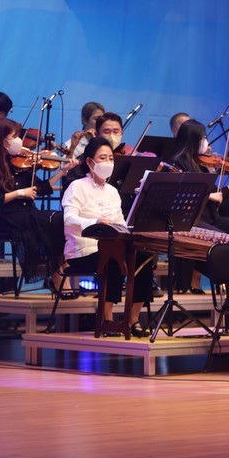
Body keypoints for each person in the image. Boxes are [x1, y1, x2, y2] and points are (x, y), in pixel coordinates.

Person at [62, 137, 154, 337]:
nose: (108, 162)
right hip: (84, 249)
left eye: (111, 158)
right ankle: (107, 319)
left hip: (112, 246)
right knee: (113, 260)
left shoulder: (112, 191)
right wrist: (95, 222)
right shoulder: (77, 186)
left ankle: (133, 320)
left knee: (144, 258)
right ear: (90, 162)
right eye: (102, 158)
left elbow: (120, 223)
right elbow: (68, 219)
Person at [0, 118, 79, 286]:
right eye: (14, 137)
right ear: (2, 141)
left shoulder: (19, 162)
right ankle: (58, 276)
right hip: (7, 217)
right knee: (53, 221)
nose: (19, 141)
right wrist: (20, 193)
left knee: (62, 219)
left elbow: (41, 188)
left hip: (28, 213)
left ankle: (60, 271)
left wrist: (62, 172)